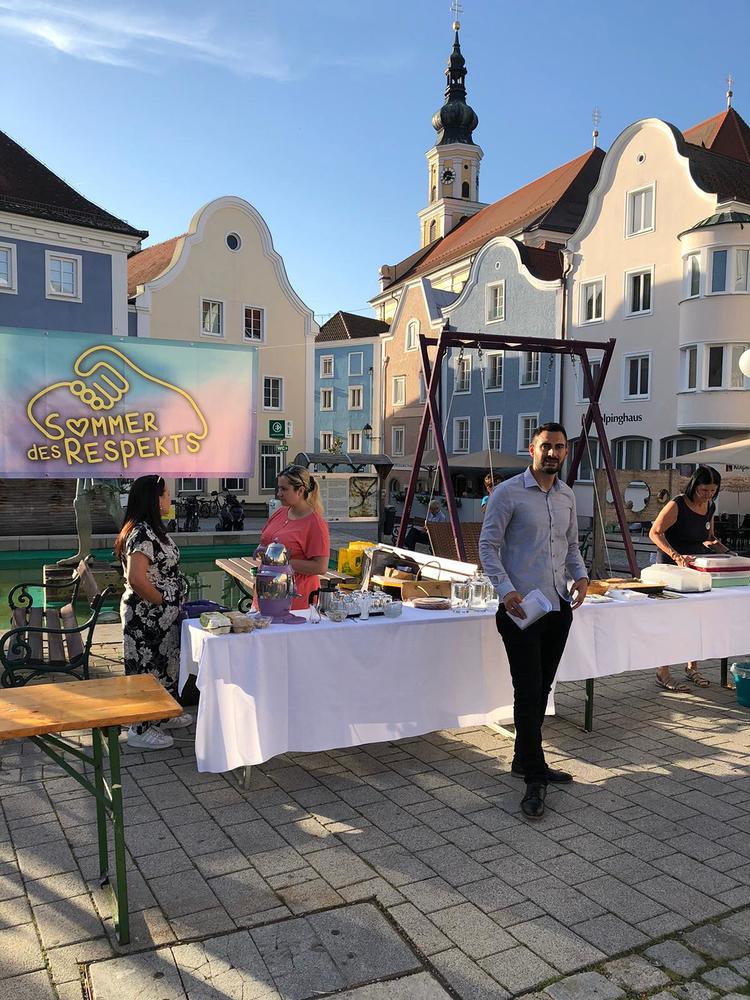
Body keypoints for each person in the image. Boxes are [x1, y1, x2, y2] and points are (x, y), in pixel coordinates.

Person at [479, 423, 588, 820]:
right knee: (527, 691)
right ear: (532, 449)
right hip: (520, 610)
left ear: (565, 452)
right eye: (546, 446)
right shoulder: (507, 493)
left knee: (541, 689)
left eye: (559, 447)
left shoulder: (567, 495)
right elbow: (487, 546)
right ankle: (535, 774)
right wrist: (506, 590)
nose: (553, 453)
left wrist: (581, 577)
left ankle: (522, 759)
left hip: (557, 607)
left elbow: (571, 545)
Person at [114, 475, 191, 750]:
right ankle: (140, 728)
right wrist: (162, 601)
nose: (170, 498)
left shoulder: (154, 530)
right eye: (166, 493)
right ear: (154, 499)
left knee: (165, 664)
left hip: (162, 617)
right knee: (145, 670)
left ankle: (162, 713)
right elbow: (136, 578)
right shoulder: (141, 533)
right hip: (145, 616)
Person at [649, 465, 727, 691]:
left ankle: (692, 667)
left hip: (695, 571)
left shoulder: (710, 506)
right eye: (704, 490)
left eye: (712, 491)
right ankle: (662, 672)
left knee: (696, 619)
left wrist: (727, 553)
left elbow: (709, 538)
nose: (708, 495)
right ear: (694, 486)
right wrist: (676, 556)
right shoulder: (677, 504)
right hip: (670, 569)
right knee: (670, 621)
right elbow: (655, 532)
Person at [257, 465, 330, 610]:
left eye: (284, 489)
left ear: (300, 491)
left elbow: (320, 567)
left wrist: (278, 561)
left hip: (296, 599)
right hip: (267, 593)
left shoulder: (315, 524)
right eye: (278, 488)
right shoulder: (281, 512)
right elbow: (265, 541)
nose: (279, 494)